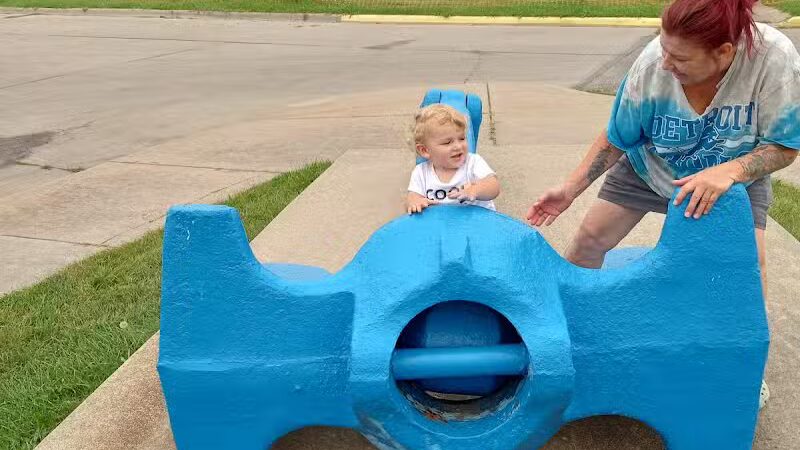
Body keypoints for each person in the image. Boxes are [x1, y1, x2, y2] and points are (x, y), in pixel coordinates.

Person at [526, 0, 799, 409]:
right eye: (663, 47)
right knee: (588, 240)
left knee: (748, 266)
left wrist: (730, 171)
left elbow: (784, 146)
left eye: (681, 57)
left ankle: (744, 368)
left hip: (730, 178)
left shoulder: (773, 59)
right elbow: (618, 135)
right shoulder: (653, 63)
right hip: (652, 165)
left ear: (724, 52)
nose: (666, 62)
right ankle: (569, 338)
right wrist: (570, 189)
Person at [407, 104, 500, 214]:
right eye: (447, 142)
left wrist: (475, 190)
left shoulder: (473, 163)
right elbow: (412, 196)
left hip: (476, 222)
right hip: (442, 225)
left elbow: (494, 186)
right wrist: (415, 201)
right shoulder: (421, 172)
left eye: (461, 138)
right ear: (425, 150)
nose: (458, 146)